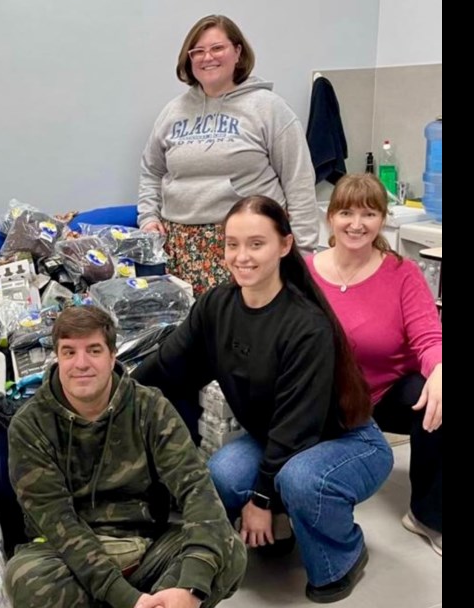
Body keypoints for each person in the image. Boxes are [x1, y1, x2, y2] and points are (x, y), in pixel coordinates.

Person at [134, 196, 393, 603]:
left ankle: (345, 555)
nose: (241, 257)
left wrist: (261, 499)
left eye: (256, 244)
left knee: (300, 480)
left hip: (346, 441)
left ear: (285, 246)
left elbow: (298, 425)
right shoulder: (216, 305)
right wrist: (112, 395)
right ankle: (284, 528)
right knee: (220, 473)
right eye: (232, 244)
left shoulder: (306, 325)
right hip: (277, 438)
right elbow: (168, 367)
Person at [5, 305, 246, 608]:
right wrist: (126, 598)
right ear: (57, 357)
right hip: (70, 558)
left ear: (112, 356)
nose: (81, 364)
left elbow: (196, 489)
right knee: (27, 579)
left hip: (147, 548)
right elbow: (58, 522)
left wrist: (190, 587)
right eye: (69, 352)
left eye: (93, 350)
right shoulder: (30, 425)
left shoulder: (150, 408)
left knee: (228, 549)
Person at [307, 173, 442, 555]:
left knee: (435, 397)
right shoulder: (305, 273)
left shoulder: (403, 274)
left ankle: (428, 516)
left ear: (382, 220)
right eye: (346, 212)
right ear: (330, 217)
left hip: (386, 394)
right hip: (327, 395)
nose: (356, 223)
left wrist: (440, 372)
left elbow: (429, 338)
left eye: (369, 213)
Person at [136, 14, 318, 297]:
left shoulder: (269, 108)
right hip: (180, 250)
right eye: (198, 51)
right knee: (194, 336)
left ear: (237, 51)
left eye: (217, 48)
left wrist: (303, 257)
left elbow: (299, 182)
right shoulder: (172, 112)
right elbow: (151, 171)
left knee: (247, 335)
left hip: (248, 249)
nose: (207, 57)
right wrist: (148, 217)